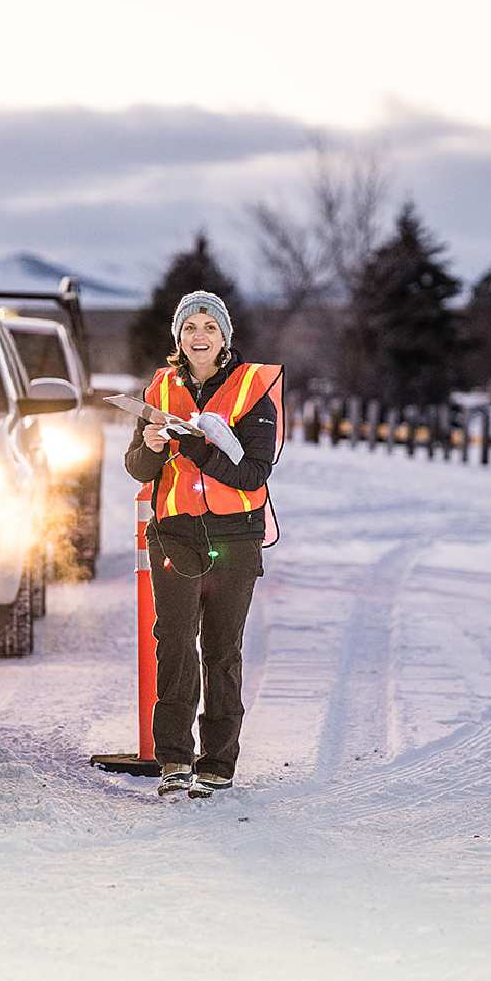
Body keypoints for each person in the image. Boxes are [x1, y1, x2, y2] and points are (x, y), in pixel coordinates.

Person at [123, 291, 283, 799]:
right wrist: (148, 449)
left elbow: (254, 472)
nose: (199, 335)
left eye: (209, 327)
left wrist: (198, 449)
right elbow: (137, 469)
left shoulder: (251, 390)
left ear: (224, 337)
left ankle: (219, 759)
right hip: (174, 533)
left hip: (235, 536)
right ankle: (174, 758)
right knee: (173, 644)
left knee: (221, 649)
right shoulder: (160, 388)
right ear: (177, 337)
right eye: (190, 326)